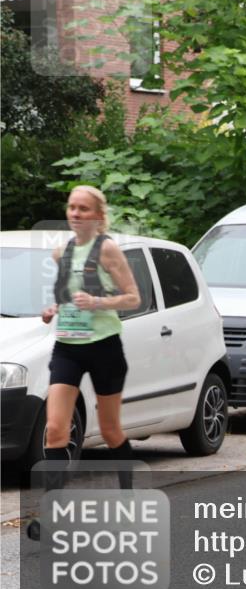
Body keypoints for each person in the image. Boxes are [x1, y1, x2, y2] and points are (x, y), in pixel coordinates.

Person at [39, 186, 141, 490]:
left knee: (110, 431)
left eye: (84, 209)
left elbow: (134, 298)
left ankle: (127, 496)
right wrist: (53, 309)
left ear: (98, 215)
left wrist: (98, 302)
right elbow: (69, 298)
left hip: (104, 347)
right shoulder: (61, 252)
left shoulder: (107, 249)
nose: (76, 214)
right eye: (72, 207)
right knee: (55, 429)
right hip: (68, 347)